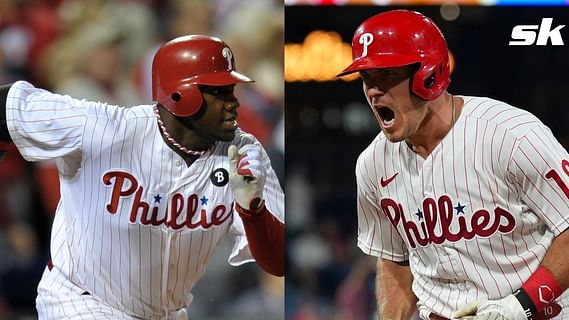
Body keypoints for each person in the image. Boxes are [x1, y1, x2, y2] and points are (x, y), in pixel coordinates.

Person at [0, 35, 284, 319]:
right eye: (219, 92)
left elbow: (279, 262)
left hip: (164, 313)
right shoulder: (105, 128)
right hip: (81, 300)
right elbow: (9, 107)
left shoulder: (244, 153)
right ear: (180, 94)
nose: (234, 103)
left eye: (231, 90)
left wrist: (253, 210)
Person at [337, 9, 569, 320]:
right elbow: (394, 262)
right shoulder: (372, 165)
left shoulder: (511, 136)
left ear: (429, 76)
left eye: (387, 74)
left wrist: (519, 306)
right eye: (367, 77)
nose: (374, 90)